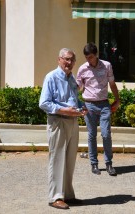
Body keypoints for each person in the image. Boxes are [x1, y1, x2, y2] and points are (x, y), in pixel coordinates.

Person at [39, 48, 87, 210]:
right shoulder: (51, 77)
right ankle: (55, 197)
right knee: (57, 159)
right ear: (59, 59)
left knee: (69, 160)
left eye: (72, 60)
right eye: (66, 59)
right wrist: (64, 110)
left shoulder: (71, 78)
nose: (69, 63)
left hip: (73, 121)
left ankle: (67, 194)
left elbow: (74, 99)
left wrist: (81, 107)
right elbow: (44, 103)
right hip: (58, 121)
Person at [76, 42, 120, 176]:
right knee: (91, 135)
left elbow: (112, 84)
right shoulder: (82, 69)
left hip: (104, 104)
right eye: (86, 57)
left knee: (106, 134)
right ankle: (94, 164)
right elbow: (77, 87)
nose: (88, 60)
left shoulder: (106, 66)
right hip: (89, 105)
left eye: (90, 57)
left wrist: (117, 100)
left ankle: (109, 164)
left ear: (96, 55)